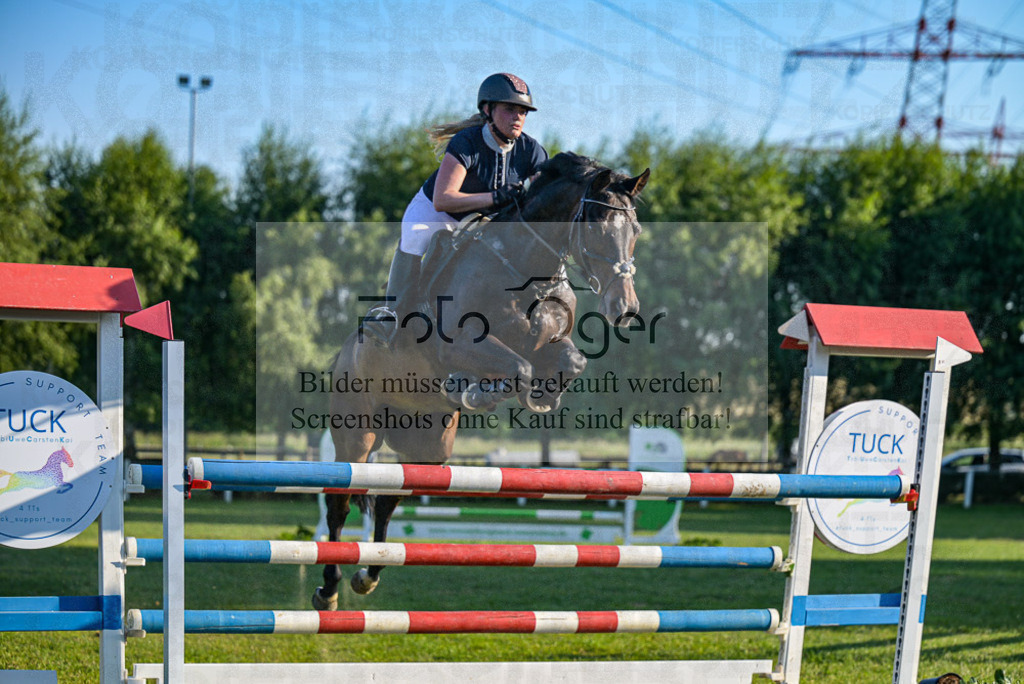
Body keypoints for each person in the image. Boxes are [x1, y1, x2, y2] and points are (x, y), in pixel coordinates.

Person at [363, 72, 549, 346]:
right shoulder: (467, 142)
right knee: (415, 235)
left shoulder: (532, 150)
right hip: (438, 213)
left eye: (523, 111)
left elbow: (543, 201)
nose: (518, 117)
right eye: (510, 109)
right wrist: (495, 198)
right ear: (487, 110)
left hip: (485, 220)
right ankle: (390, 313)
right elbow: (444, 199)